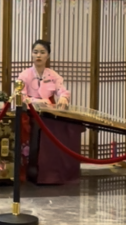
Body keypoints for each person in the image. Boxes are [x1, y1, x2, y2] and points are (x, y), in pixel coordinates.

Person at [14, 40, 82, 185]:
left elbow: (62, 90)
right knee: (39, 127)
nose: (38, 55)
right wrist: (36, 101)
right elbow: (19, 96)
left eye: (42, 52)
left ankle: (54, 171)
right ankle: (34, 169)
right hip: (31, 112)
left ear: (48, 56)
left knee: (65, 126)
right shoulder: (25, 75)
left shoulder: (52, 75)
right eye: (35, 52)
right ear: (31, 54)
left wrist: (63, 98)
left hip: (48, 113)